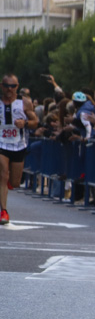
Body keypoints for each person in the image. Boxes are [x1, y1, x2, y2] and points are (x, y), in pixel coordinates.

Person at [0, 73, 38, 224]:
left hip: (18, 144)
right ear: (1, 86)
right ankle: (4, 211)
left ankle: (9, 182)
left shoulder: (25, 103)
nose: (10, 89)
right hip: (1, 143)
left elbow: (35, 121)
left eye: (13, 86)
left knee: (15, 182)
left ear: (17, 87)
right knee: (3, 173)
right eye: (7, 86)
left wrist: (26, 123)